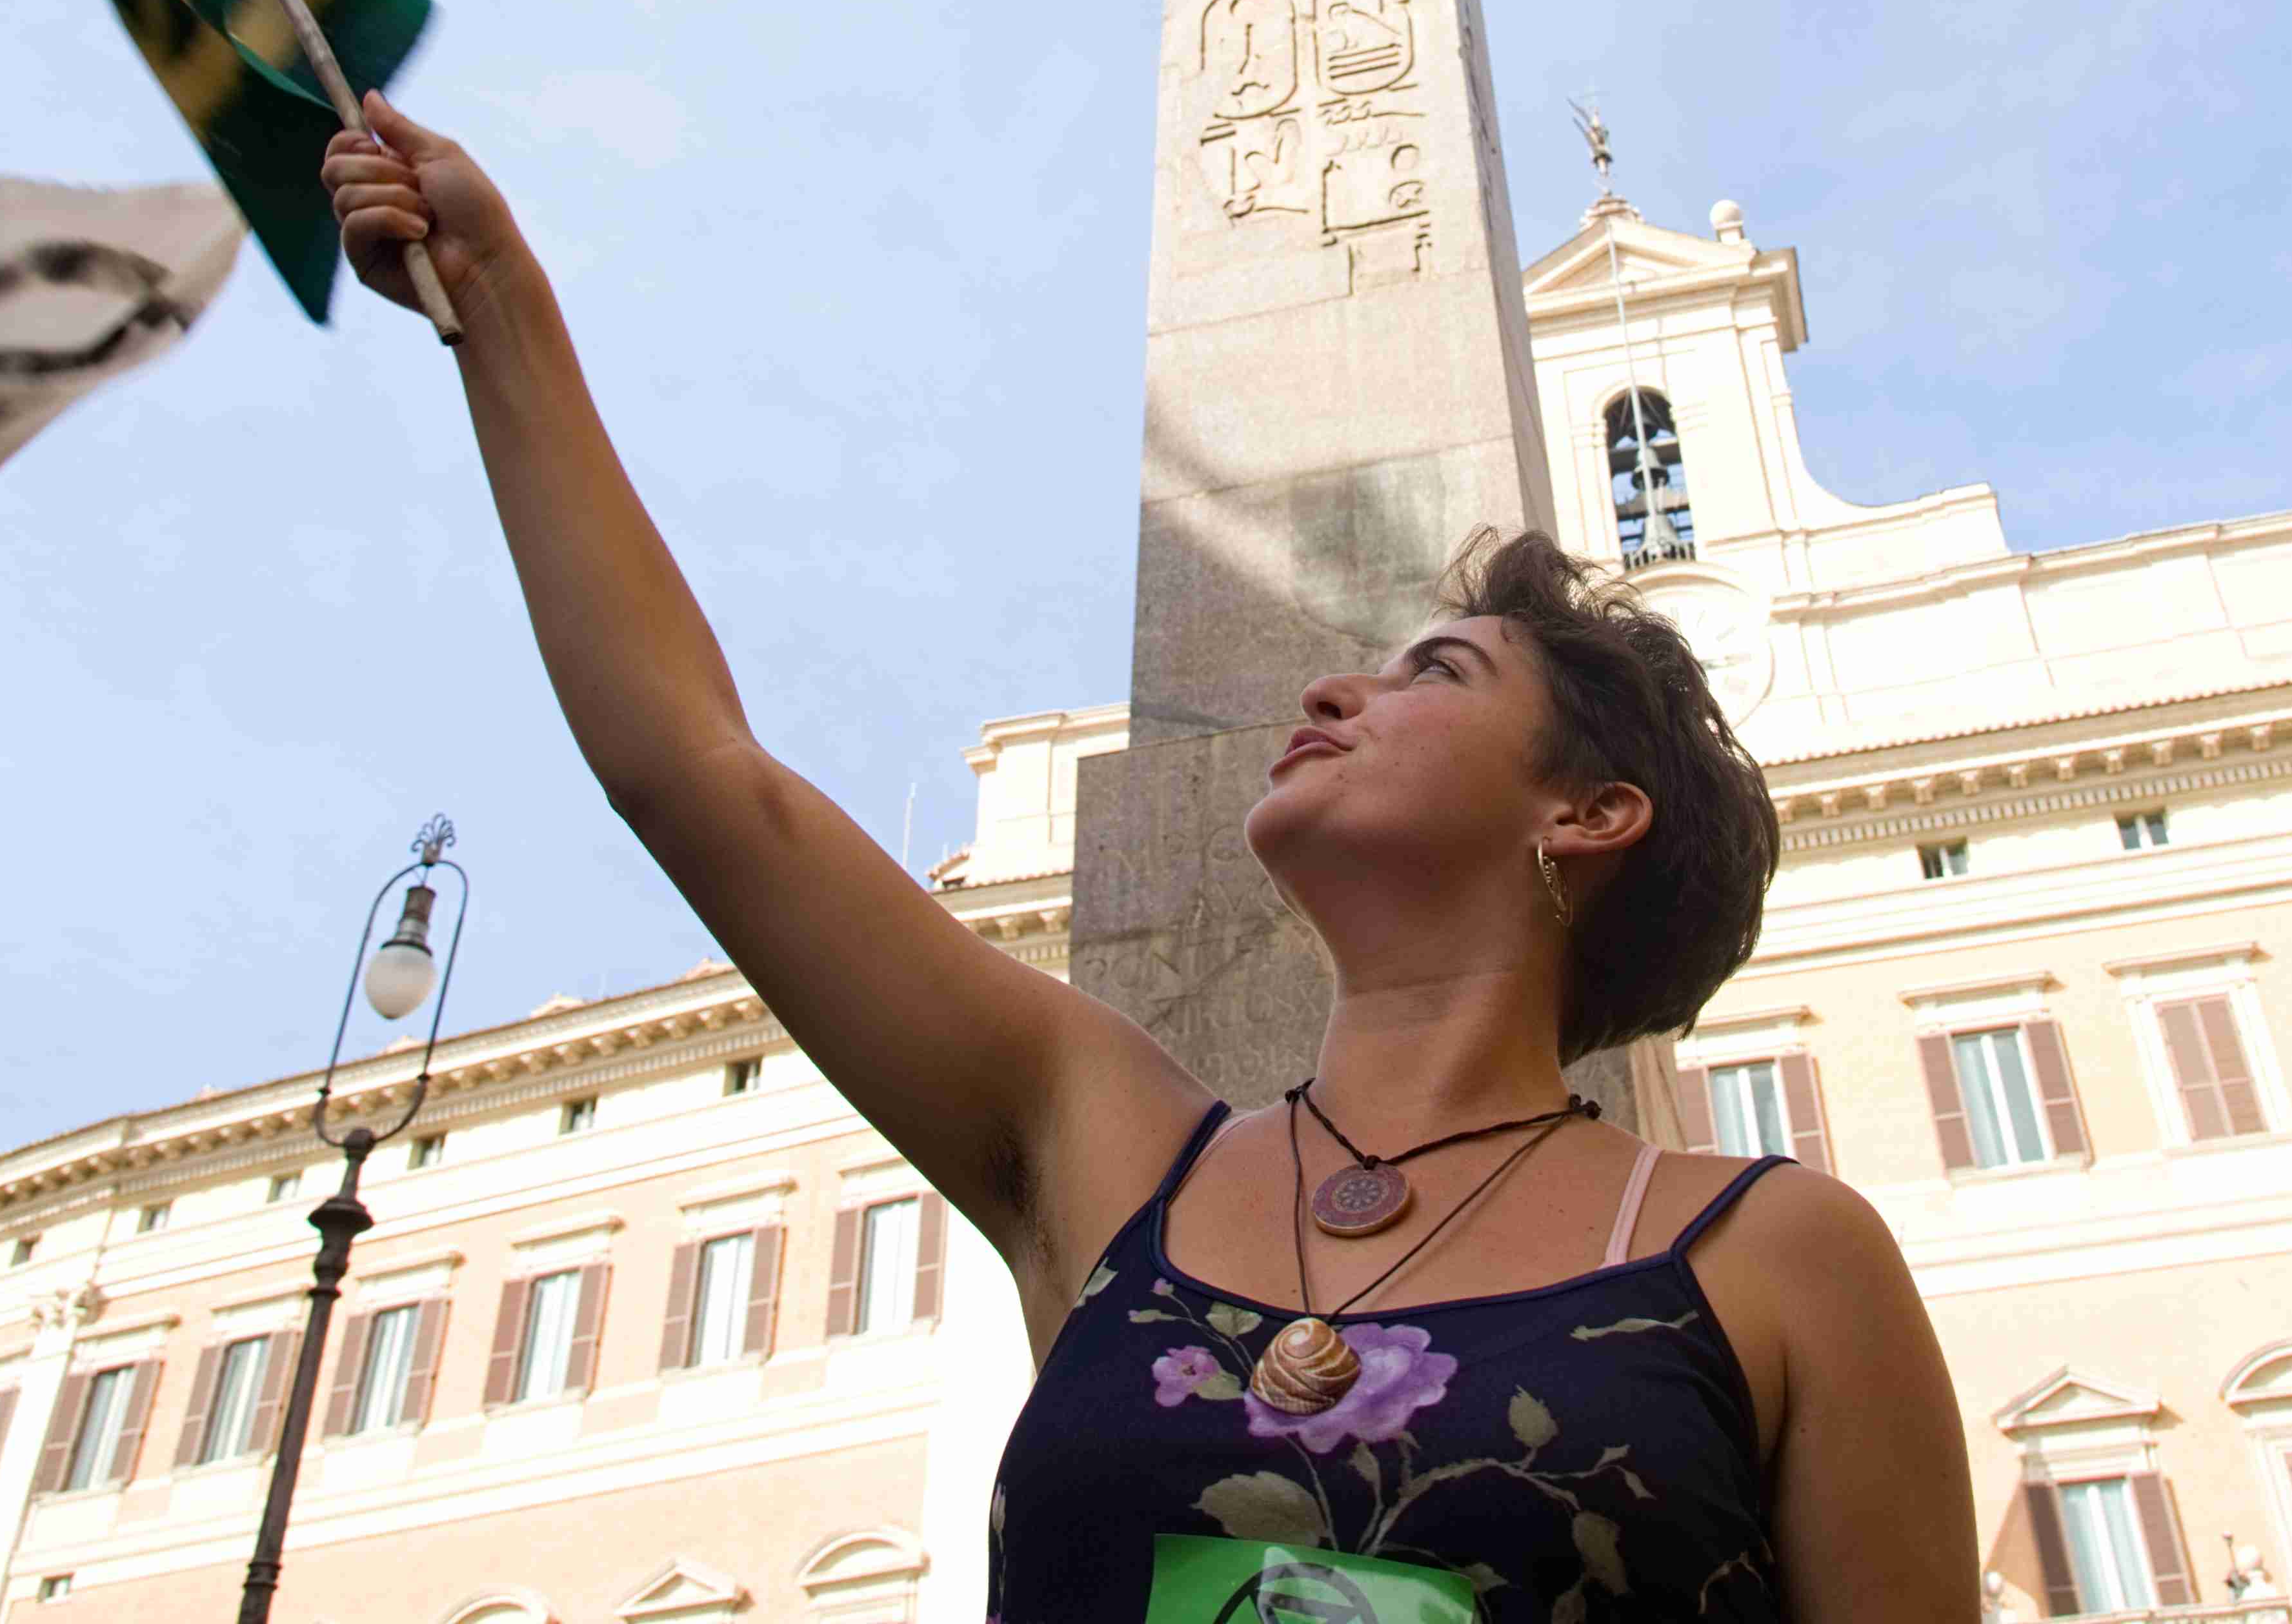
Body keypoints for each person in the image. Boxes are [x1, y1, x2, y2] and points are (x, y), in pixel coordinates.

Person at [327, 98, 1978, 1621]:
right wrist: (502, 311)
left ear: (1588, 813)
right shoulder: (1108, 1146)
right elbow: (698, 777)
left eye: (1433, 672)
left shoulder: (1780, 1259)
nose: (1330, 690)